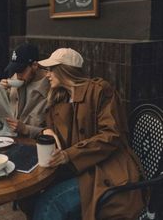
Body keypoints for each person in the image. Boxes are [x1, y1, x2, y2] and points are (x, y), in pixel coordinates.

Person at [28, 48, 146, 220]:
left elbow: (111, 135)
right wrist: (49, 131)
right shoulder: (59, 98)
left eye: (51, 69)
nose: (47, 74)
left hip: (107, 170)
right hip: (79, 169)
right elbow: (60, 136)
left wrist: (68, 155)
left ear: (64, 70)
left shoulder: (99, 91)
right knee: (30, 196)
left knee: (50, 203)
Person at [0, 42, 50, 138]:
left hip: (34, 144)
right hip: (9, 137)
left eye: (21, 71)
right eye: (15, 71)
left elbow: (51, 132)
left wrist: (25, 129)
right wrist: (2, 91)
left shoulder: (51, 88)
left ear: (34, 65)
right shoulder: (16, 78)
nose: (18, 76)